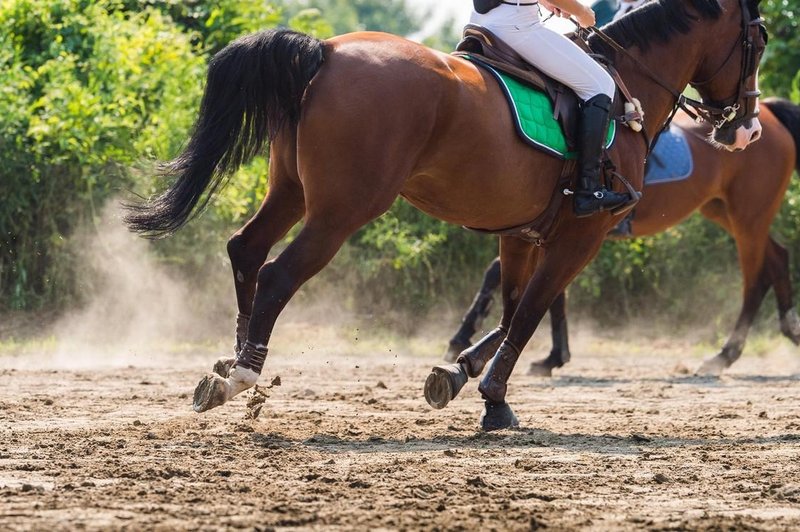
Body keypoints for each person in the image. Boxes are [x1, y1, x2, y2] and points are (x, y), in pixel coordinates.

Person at [471, 0, 631, 216]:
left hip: (480, 22)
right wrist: (581, 12)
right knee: (600, 86)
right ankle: (588, 190)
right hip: (516, 25)